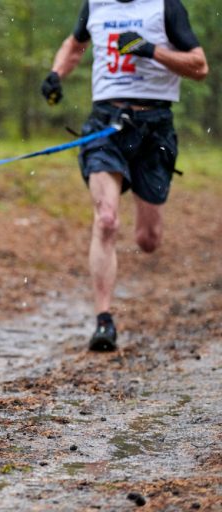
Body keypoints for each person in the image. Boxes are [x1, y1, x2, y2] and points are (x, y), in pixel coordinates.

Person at [41, 0, 208, 351]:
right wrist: (56, 74)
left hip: (155, 129)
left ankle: (142, 215)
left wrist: (150, 50)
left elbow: (199, 66)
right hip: (106, 124)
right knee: (106, 220)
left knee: (149, 240)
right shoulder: (95, 6)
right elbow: (74, 44)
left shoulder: (166, 8)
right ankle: (104, 320)